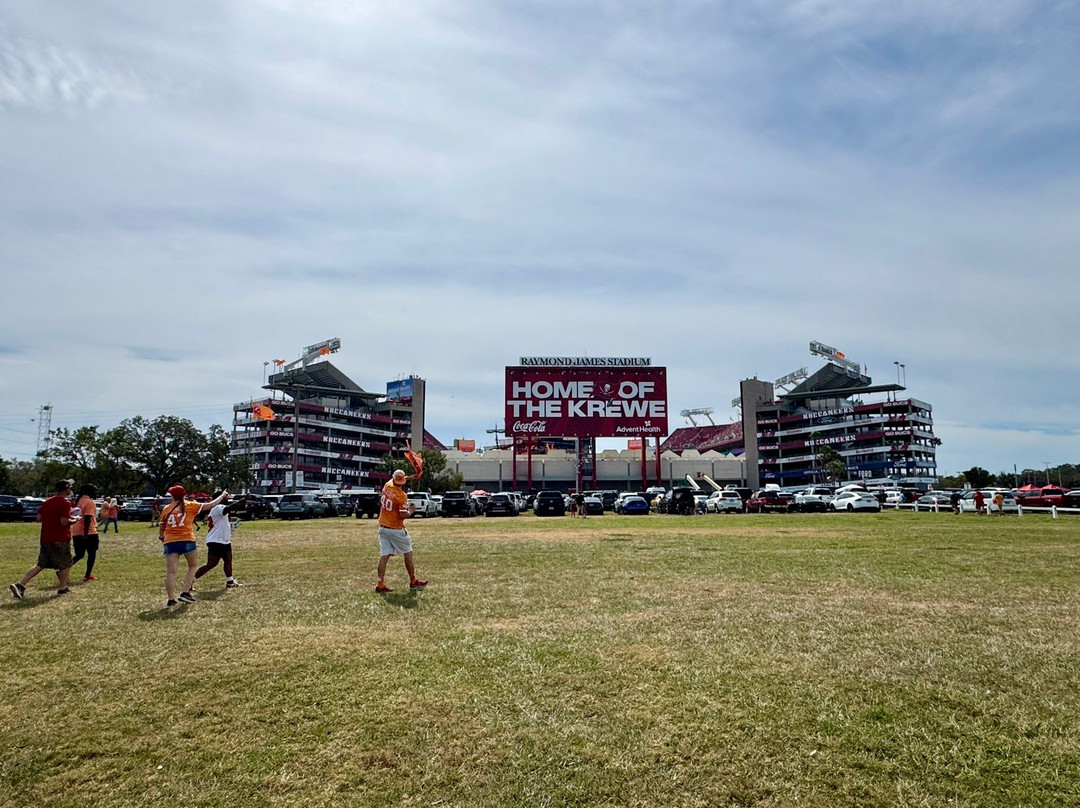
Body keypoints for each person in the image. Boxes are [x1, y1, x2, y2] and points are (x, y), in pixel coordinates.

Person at [159, 485, 229, 607]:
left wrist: (161, 537)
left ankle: (171, 599)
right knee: (192, 566)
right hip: (187, 540)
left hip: (170, 541)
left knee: (171, 572)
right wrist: (222, 496)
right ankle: (185, 592)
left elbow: (161, 526)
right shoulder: (191, 505)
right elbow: (211, 505)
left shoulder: (166, 508)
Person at [10, 479, 79, 599]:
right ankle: (63, 588)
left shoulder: (48, 501)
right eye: (69, 488)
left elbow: (39, 517)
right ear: (66, 489)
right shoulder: (65, 503)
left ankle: (20, 585)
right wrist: (75, 520)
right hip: (60, 538)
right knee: (65, 563)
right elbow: (64, 522)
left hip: (46, 537)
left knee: (41, 564)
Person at [376, 468, 427, 594]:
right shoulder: (401, 495)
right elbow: (402, 515)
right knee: (408, 553)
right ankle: (413, 581)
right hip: (395, 529)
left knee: (384, 556)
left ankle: (380, 584)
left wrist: (412, 477)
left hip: (383, 527)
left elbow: (398, 479)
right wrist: (412, 510)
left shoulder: (387, 486)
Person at [194, 493, 248, 588]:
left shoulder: (217, 508)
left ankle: (230, 581)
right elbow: (229, 508)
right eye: (225, 497)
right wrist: (243, 500)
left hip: (223, 540)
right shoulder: (218, 507)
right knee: (211, 564)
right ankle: (190, 580)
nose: (227, 499)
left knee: (228, 560)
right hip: (217, 540)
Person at [70, 484, 101, 582]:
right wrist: (86, 533)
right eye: (95, 491)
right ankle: (87, 575)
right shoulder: (90, 502)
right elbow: (87, 517)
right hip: (89, 532)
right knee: (92, 554)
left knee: (79, 554)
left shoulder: (78, 501)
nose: (96, 493)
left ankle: (63, 570)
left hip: (76, 531)